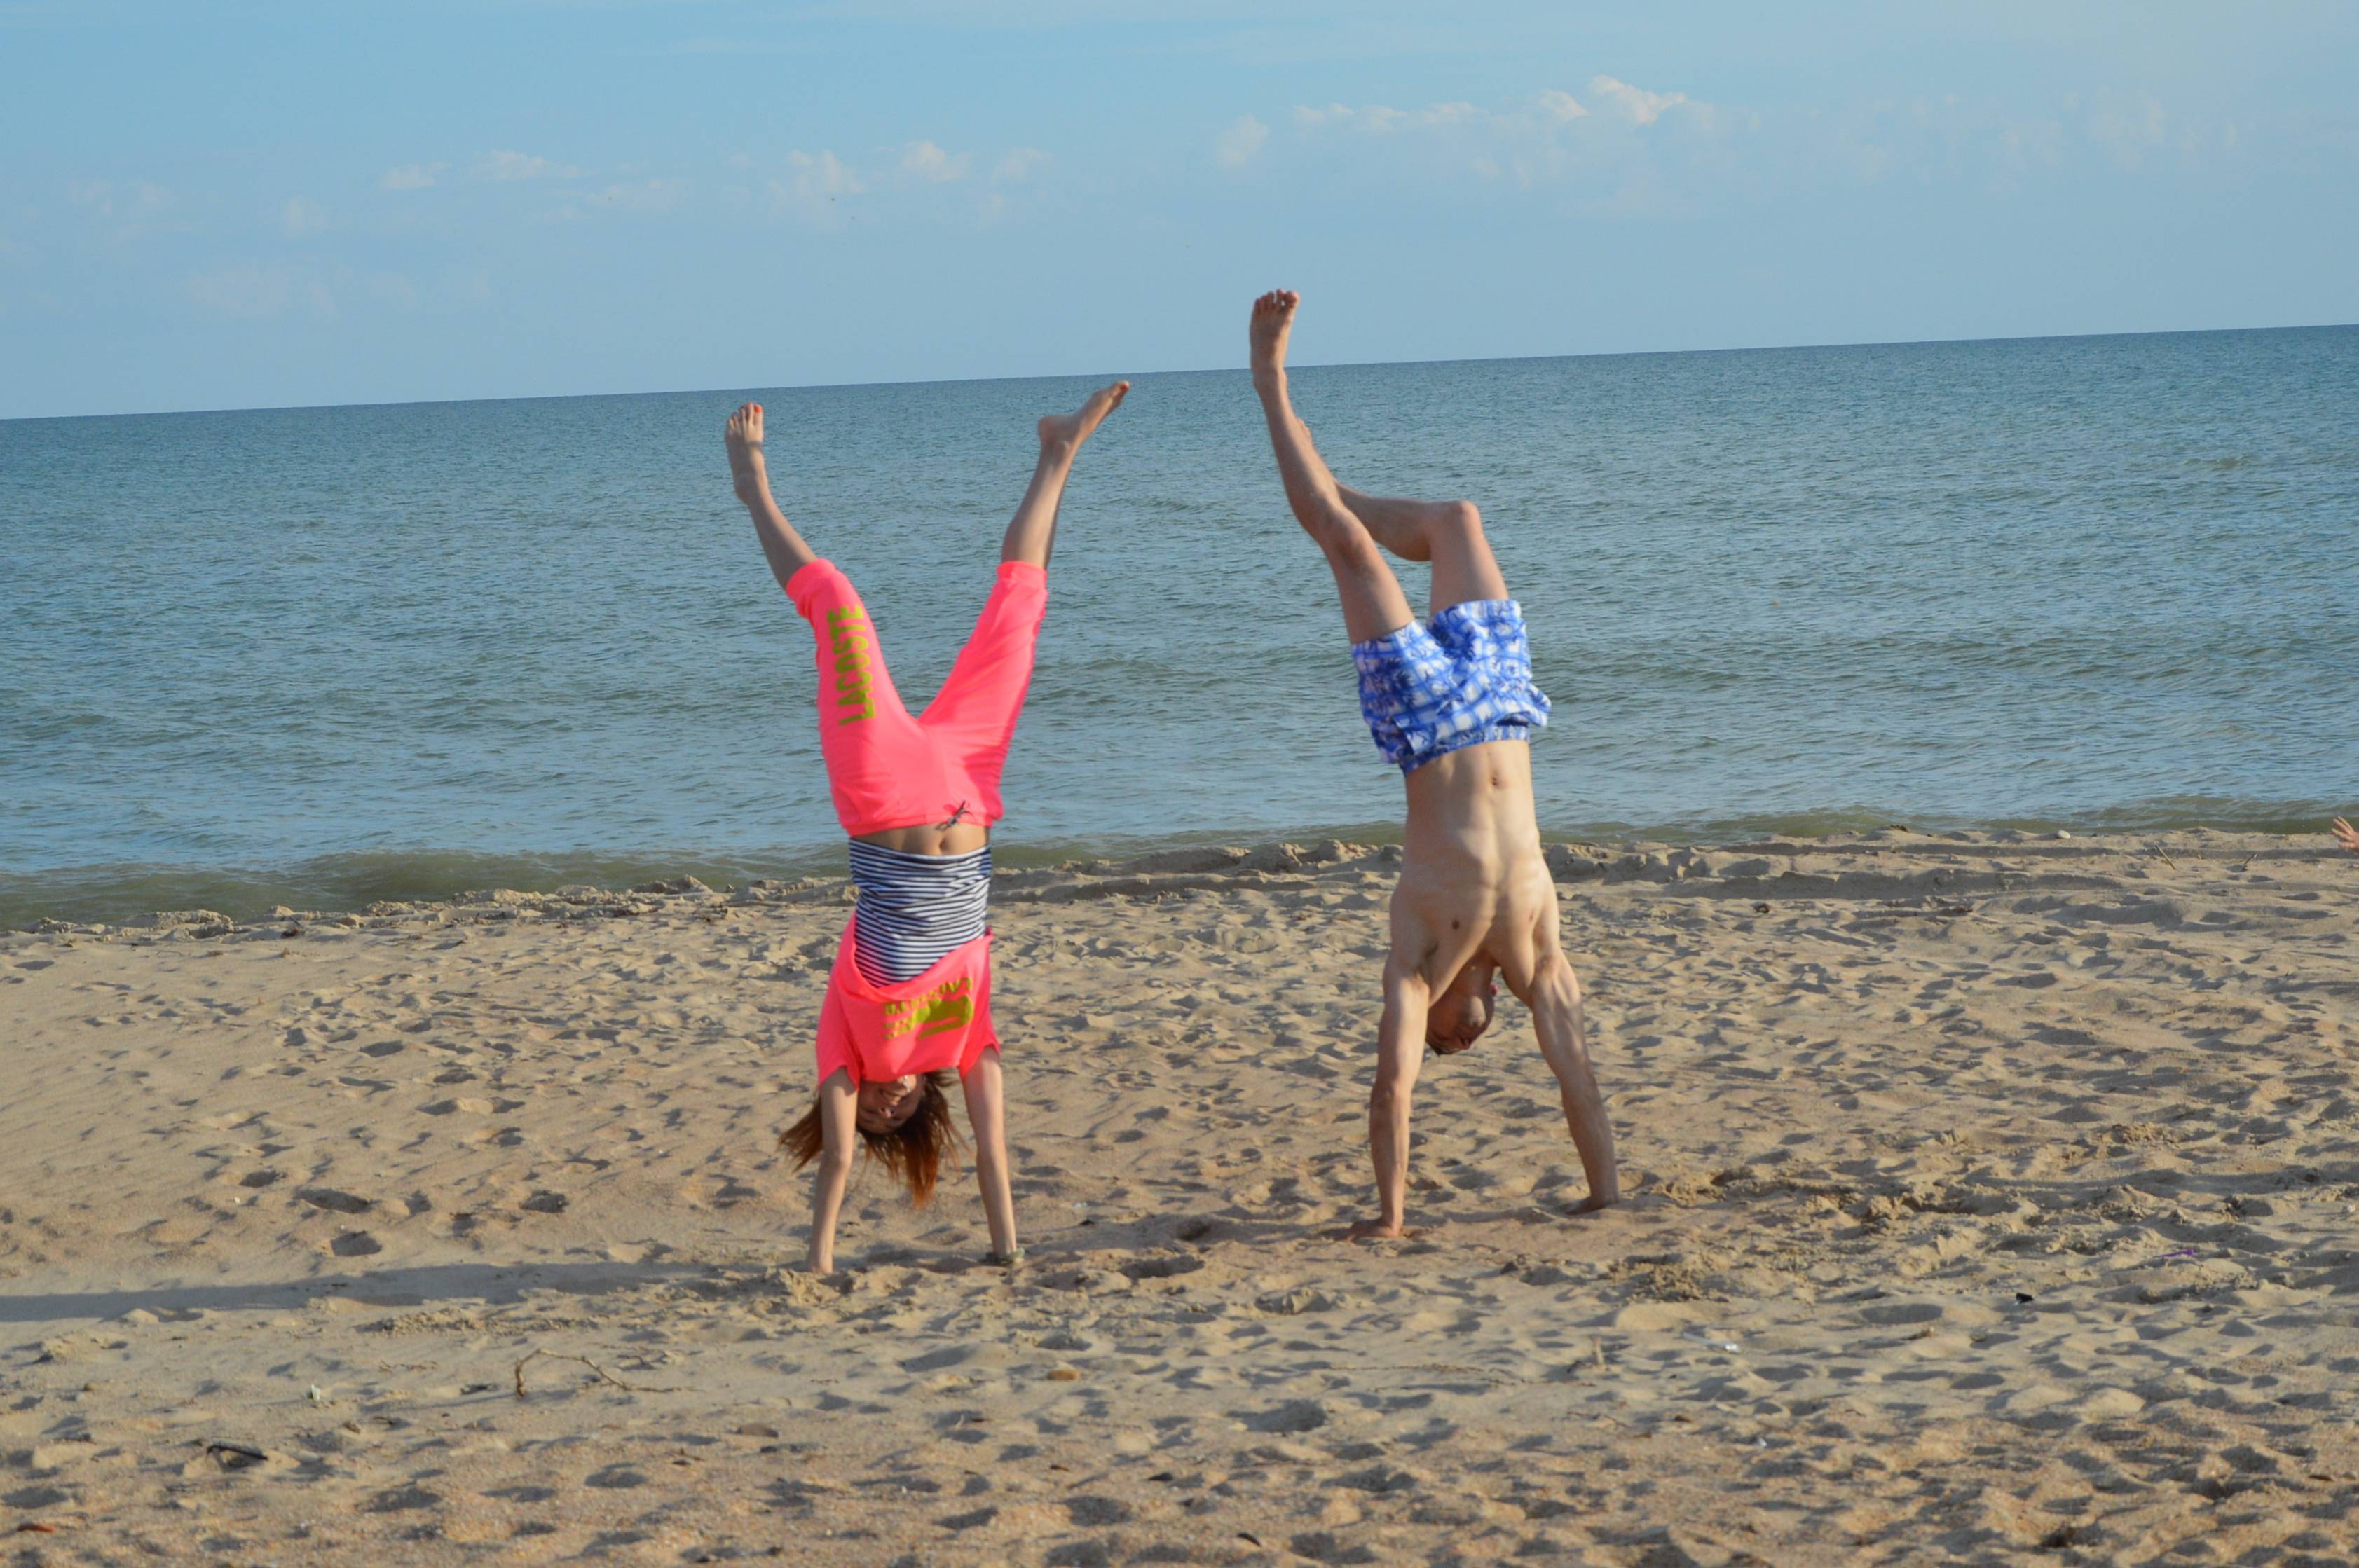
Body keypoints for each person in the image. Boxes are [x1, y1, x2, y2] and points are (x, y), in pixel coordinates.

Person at [720, 380, 1129, 1273]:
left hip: (879, 794)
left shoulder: (845, 1046)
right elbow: (994, 1153)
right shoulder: (965, 1041)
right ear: (923, 1104)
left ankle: (754, 489)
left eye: (873, 1112)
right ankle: (1057, 452)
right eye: (898, 1116)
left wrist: (819, 1262)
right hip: (969, 787)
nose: (886, 1108)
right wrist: (1007, 1252)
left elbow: (835, 1162)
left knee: (837, 603)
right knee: (1019, 613)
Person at [1246, 289, 1618, 1239]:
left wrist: (1391, 1217)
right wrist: (1606, 1195)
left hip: (1422, 721)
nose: (1462, 1037)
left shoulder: (1415, 960)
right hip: (1502, 708)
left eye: (1448, 1042)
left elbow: (1390, 1088)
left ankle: (1270, 384)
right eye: (1466, 1039)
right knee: (1457, 519)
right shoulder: (1536, 954)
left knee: (1343, 543)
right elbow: (1576, 1070)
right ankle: (1325, 481)